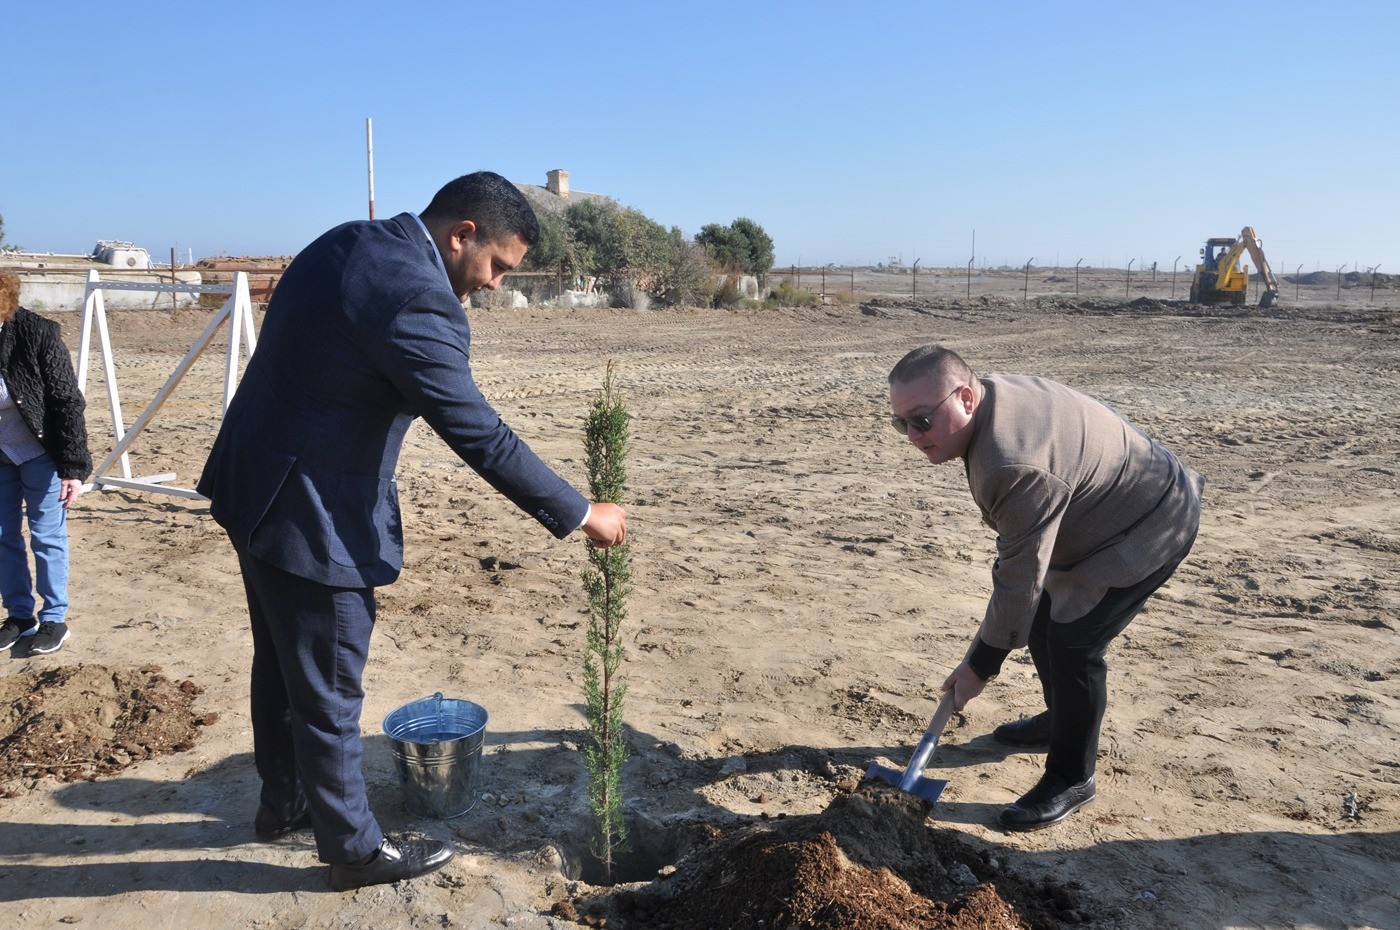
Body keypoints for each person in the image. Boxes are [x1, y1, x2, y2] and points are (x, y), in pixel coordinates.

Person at [197, 172, 627, 891]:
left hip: (256, 481)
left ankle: (286, 802)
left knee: (281, 660)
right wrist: (581, 512)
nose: (492, 285)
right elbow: (477, 432)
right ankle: (355, 852)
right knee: (330, 682)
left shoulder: (350, 242)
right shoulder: (414, 293)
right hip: (313, 508)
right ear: (462, 234)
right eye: (496, 265)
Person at [888, 344, 1201, 831]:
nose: (912, 435)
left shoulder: (1011, 463)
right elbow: (1024, 582)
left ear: (967, 397)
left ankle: (1073, 776)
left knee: (1074, 642)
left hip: (1151, 520)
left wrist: (979, 667)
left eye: (922, 420)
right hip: (1101, 512)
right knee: (1041, 619)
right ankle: (1061, 719)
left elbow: (1019, 578)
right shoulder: (989, 406)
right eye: (900, 423)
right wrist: (984, 654)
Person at [0, 272, 91, 657]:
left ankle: (54, 618)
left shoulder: (38, 334)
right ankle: (20, 616)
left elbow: (67, 401)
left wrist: (73, 467)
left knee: (46, 535)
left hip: (41, 452)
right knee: (2, 536)